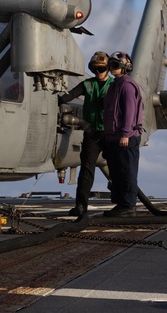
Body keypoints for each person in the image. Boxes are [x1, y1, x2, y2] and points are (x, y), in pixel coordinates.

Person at [60, 51, 113, 216]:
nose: (97, 72)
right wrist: (55, 97)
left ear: (109, 68)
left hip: (111, 134)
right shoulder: (87, 84)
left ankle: (124, 204)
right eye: (94, 69)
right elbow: (68, 96)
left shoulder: (115, 85)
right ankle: (81, 206)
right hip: (91, 134)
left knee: (120, 170)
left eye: (101, 68)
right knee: (86, 170)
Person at [101, 51, 143, 217]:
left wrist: (125, 134)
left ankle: (128, 205)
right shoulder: (114, 85)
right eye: (110, 65)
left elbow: (130, 112)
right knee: (117, 173)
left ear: (125, 67)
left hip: (126, 137)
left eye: (115, 65)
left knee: (127, 172)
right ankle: (120, 204)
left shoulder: (126, 85)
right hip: (113, 137)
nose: (112, 68)